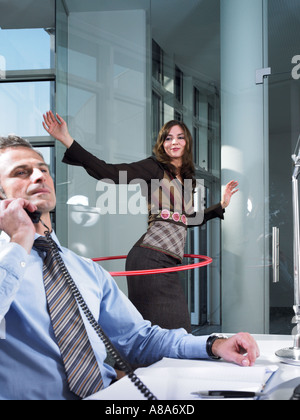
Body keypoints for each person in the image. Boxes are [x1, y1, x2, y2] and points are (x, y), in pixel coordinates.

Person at [0, 135, 259, 400]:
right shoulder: (6, 264)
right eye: (21, 172)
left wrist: (214, 344)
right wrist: (20, 240)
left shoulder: (85, 271)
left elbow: (139, 339)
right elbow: (109, 171)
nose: (38, 176)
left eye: (43, 169)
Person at [43, 111, 238, 333]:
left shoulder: (189, 180)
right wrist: (67, 139)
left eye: (180, 137)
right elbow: (109, 173)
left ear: (188, 142)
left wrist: (221, 205)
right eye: (168, 137)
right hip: (150, 259)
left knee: (170, 332)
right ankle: (136, 367)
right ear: (162, 143)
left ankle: (137, 367)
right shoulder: (154, 168)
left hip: (169, 261)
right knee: (169, 332)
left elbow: (188, 219)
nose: (174, 142)